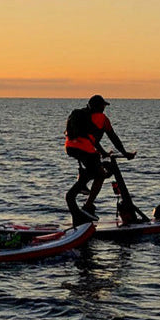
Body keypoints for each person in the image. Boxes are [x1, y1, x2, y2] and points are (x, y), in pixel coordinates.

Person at [65, 94, 135, 223]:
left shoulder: (81, 115)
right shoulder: (102, 118)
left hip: (71, 147)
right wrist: (125, 153)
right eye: (103, 106)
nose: (104, 108)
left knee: (94, 169)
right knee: (101, 174)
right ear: (100, 107)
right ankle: (88, 205)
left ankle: (82, 183)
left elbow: (91, 139)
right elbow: (113, 137)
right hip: (86, 149)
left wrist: (103, 152)